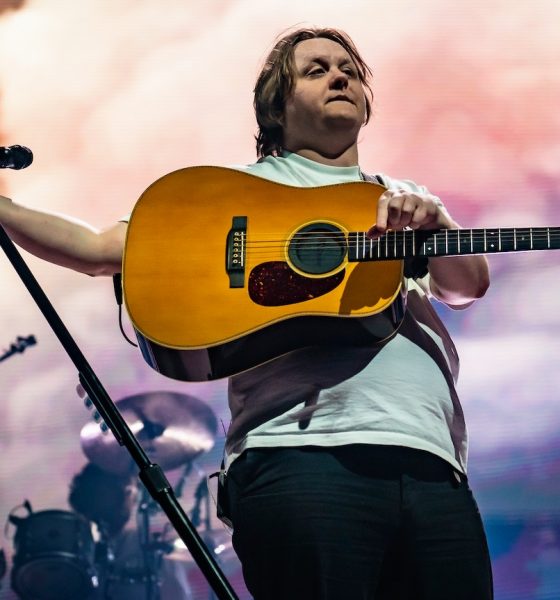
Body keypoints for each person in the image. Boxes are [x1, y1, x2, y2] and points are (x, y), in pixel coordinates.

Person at [0, 26, 492, 599]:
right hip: (302, 458)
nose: (340, 77)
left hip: (430, 460)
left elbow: (467, 286)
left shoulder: (399, 198)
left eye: (349, 71)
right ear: (276, 109)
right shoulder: (236, 193)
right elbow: (96, 251)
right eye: (316, 70)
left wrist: (437, 226)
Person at [68, 462, 193, 600]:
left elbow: (177, 595)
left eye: (129, 488)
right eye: (113, 486)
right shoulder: (73, 548)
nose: (126, 492)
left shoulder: (153, 548)